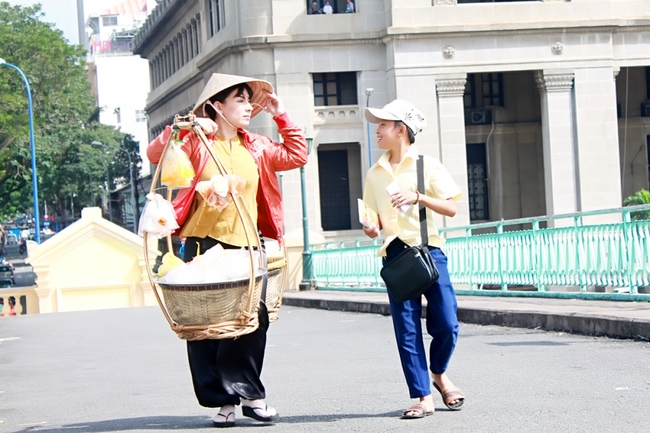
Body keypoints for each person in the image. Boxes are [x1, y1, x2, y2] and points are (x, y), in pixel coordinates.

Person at [147, 73, 308, 428]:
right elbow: (156, 153)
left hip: (248, 246)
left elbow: (297, 154)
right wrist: (186, 127)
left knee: (253, 321)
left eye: (251, 100)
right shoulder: (195, 142)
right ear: (217, 106)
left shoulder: (258, 146)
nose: (249, 106)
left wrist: (281, 113)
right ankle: (224, 403)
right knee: (204, 325)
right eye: (240, 100)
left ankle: (249, 393)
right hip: (202, 245)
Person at [362, 99, 465, 419]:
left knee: (447, 323)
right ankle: (422, 396)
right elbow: (372, 220)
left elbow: (451, 208)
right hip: (395, 256)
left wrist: (419, 197)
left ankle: (438, 373)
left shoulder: (426, 165)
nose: (377, 129)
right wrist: (370, 227)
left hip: (429, 250)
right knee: (406, 330)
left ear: (401, 130)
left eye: (383, 124)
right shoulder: (374, 172)